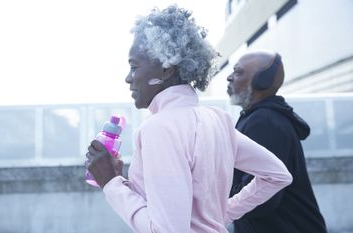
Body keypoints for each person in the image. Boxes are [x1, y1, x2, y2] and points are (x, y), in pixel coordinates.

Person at [85, 5, 292, 233]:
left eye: (134, 67)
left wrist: (111, 184)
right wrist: (217, 217)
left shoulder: (159, 128)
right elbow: (277, 175)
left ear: (166, 69)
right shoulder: (218, 120)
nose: (128, 78)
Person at [227, 51, 328, 233]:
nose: (229, 77)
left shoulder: (264, 122)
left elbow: (261, 201)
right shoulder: (259, 118)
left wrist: (213, 193)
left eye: (238, 72)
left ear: (262, 81)